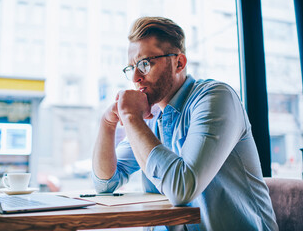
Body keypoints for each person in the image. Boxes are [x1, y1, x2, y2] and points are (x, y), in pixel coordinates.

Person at [92, 16, 278, 231]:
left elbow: (182, 189)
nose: (135, 77)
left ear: (178, 63)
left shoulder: (215, 98)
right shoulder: (151, 119)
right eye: (131, 67)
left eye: (144, 64)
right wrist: (107, 123)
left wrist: (131, 117)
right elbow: (105, 184)